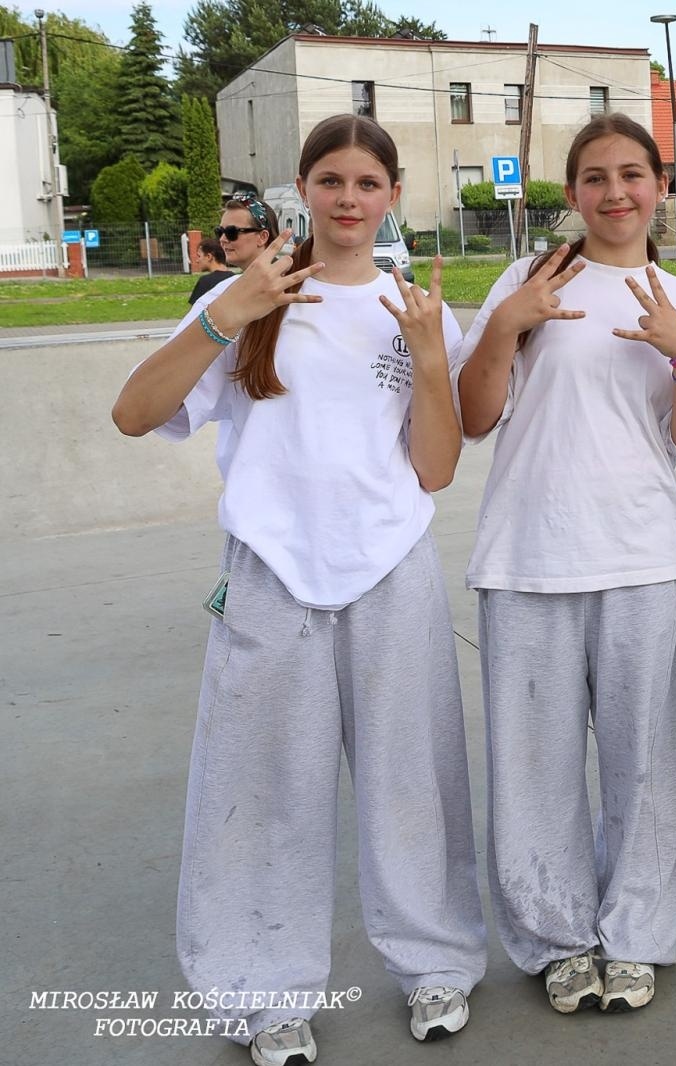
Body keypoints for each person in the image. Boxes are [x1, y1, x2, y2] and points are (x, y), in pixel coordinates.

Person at [110, 114, 486, 1064]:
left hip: (390, 570)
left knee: (414, 778)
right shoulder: (253, 296)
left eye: (367, 182)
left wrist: (435, 357)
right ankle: (261, 988)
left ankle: (435, 962)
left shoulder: (414, 308)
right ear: (302, 190)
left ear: (393, 194)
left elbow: (435, 471)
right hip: (272, 575)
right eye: (331, 181)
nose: (349, 199)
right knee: (263, 787)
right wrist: (222, 314)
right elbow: (134, 412)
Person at [452, 113, 676, 1017]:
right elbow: (471, 417)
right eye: (595, 178)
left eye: (633, 175)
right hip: (529, 555)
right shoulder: (529, 279)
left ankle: (639, 932)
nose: (616, 193)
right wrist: (507, 326)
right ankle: (555, 937)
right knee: (532, 765)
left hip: (640, 557)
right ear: (571, 193)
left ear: (661, 187)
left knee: (645, 764)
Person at [216, 193, 280, 270]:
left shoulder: (286, 280)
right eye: (220, 231)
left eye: (231, 232)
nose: (222, 239)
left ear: (262, 237)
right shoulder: (231, 281)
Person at [187, 238, 234, 304]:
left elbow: (197, 311)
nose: (197, 260)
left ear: (209, 257)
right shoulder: (235, 279)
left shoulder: (205, 282)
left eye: (199, 256)